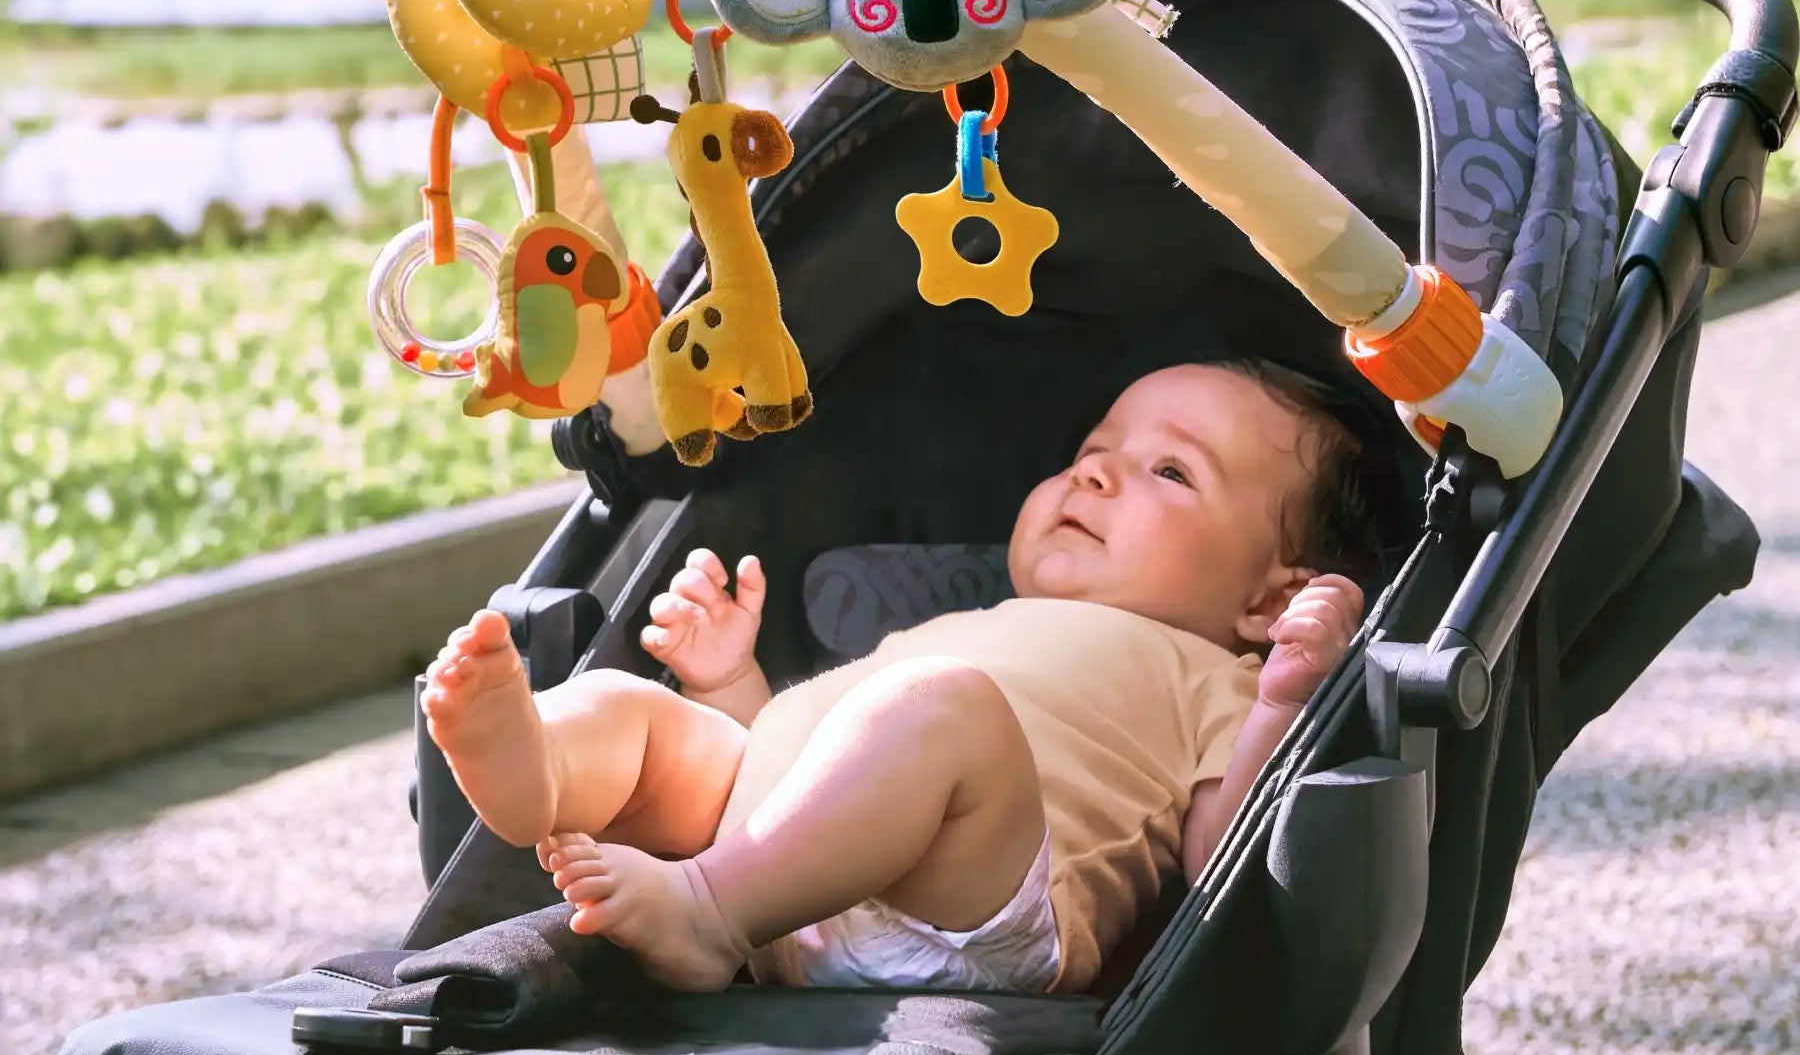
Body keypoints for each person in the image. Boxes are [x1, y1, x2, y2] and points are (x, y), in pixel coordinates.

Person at [421, 360, 1374, 996]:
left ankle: (709, 911)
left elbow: (1217, 866)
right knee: (639, 711)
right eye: (1093, 453)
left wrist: (1288, 702)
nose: (1096, 476)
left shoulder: (1225, 675)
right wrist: (730, 686)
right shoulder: (979, 624)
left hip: (975, 910)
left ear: (1266, 599)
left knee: (938, 708)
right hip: (797, 883)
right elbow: (823, 780)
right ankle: (536, 772)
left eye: (1171, 472)